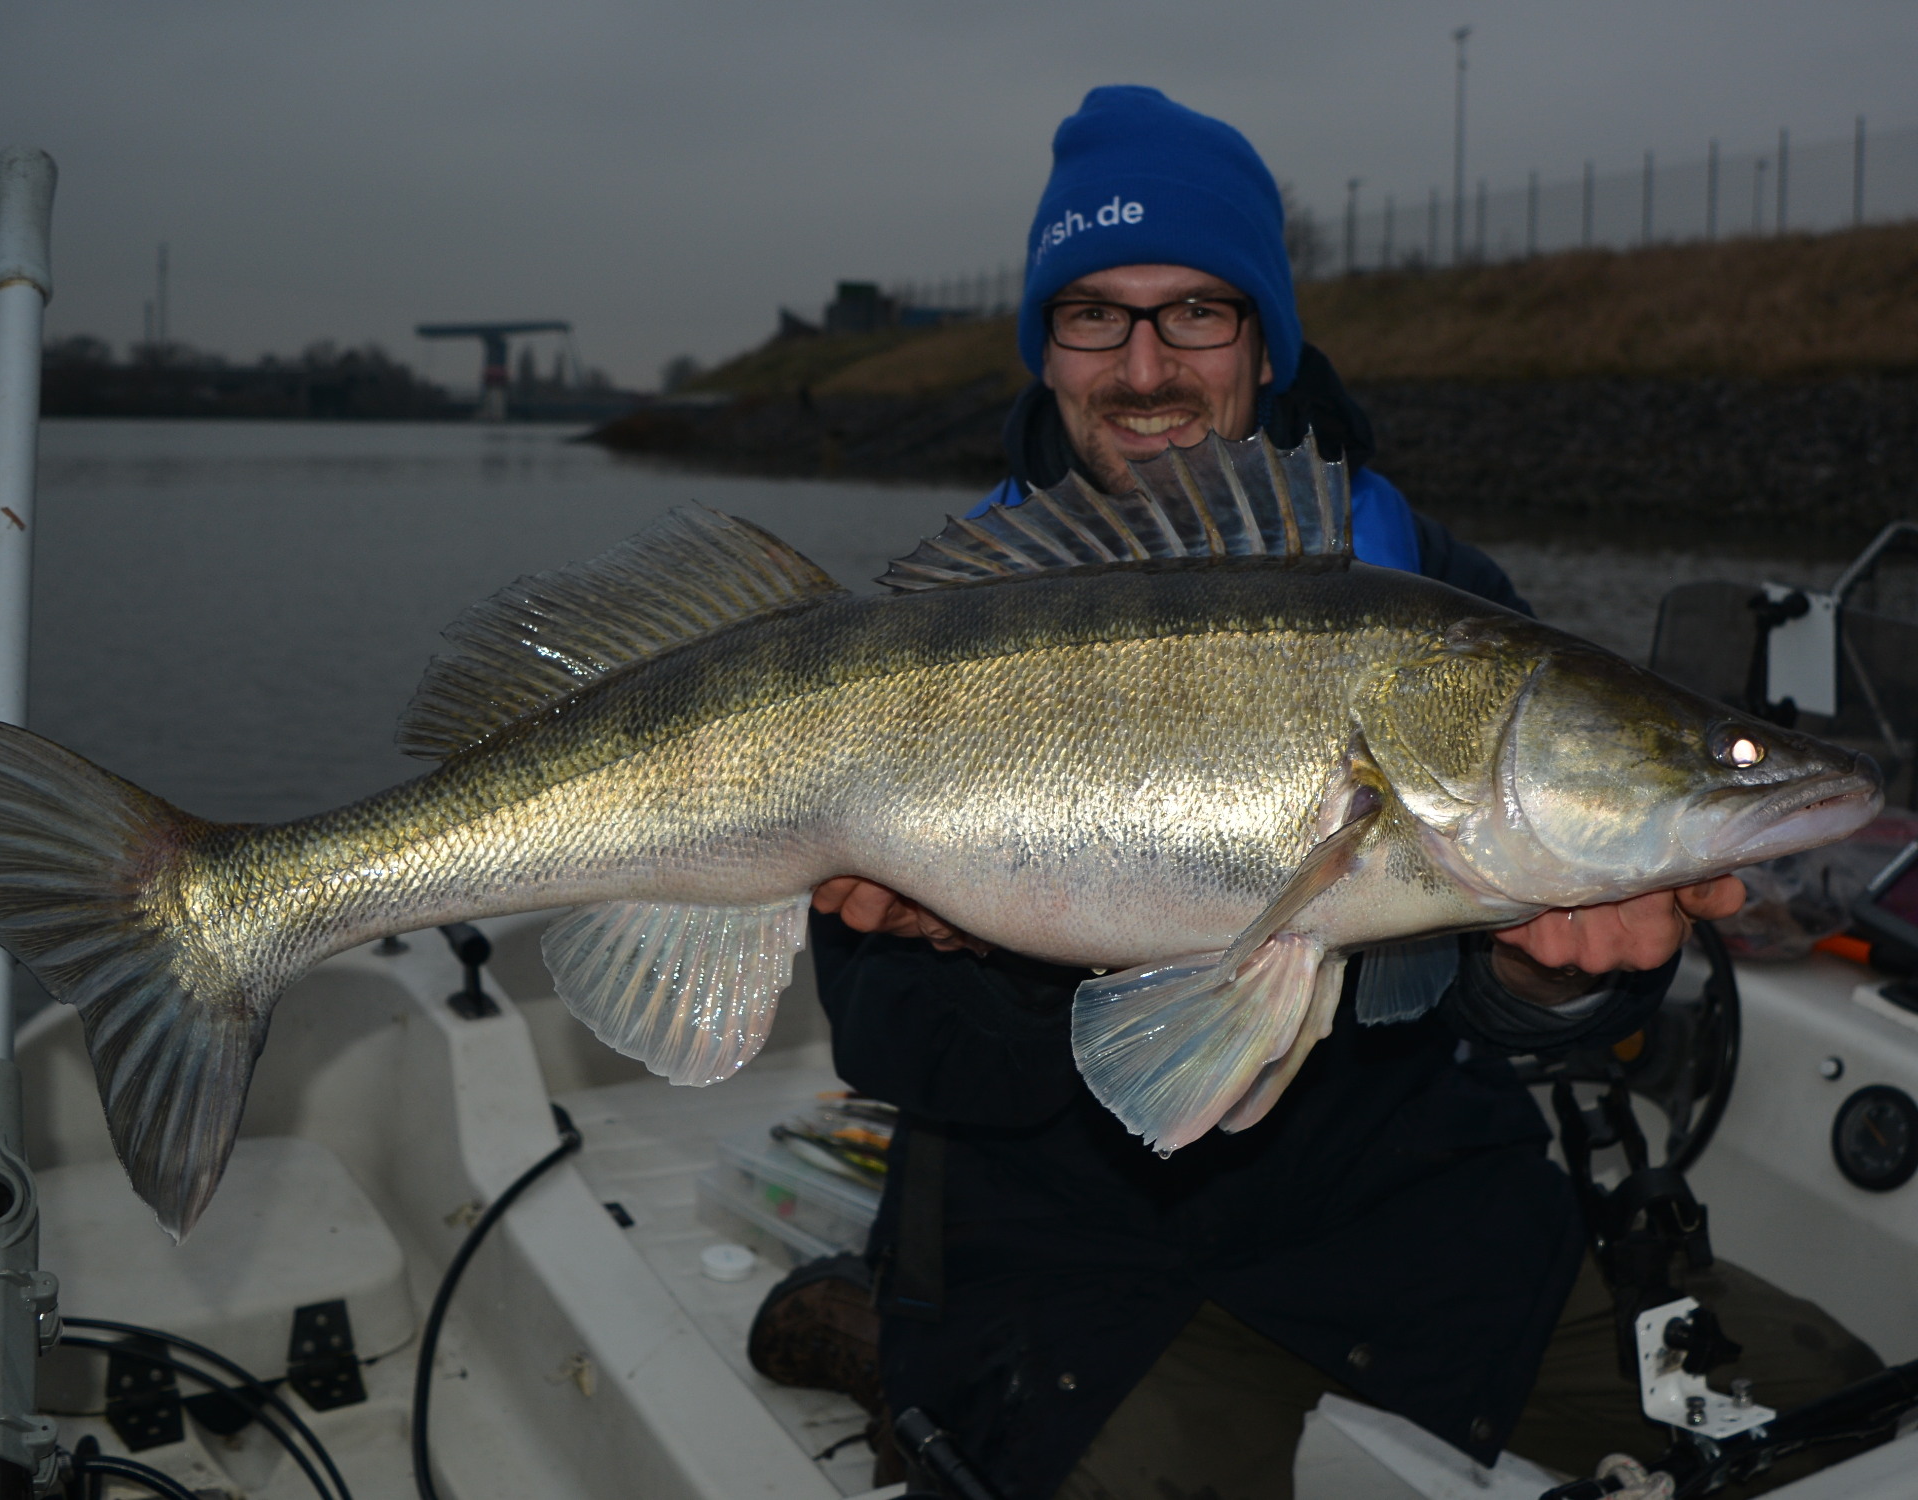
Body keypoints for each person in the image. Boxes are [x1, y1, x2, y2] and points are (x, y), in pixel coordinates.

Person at [803, 87, 1878, 1498]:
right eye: (1092, 315)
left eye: (1197, 310)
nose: (1145, 365)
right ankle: (867, 1332)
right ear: (1046, 349)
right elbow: (900, 1056)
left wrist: (1557, 983)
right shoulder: (922, 647)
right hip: (1074, 1263)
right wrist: (976, 945)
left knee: (1839, 1422)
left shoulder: (1441, 610)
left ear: (1262, 336)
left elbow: (1515, 990)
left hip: (1405, 1213)